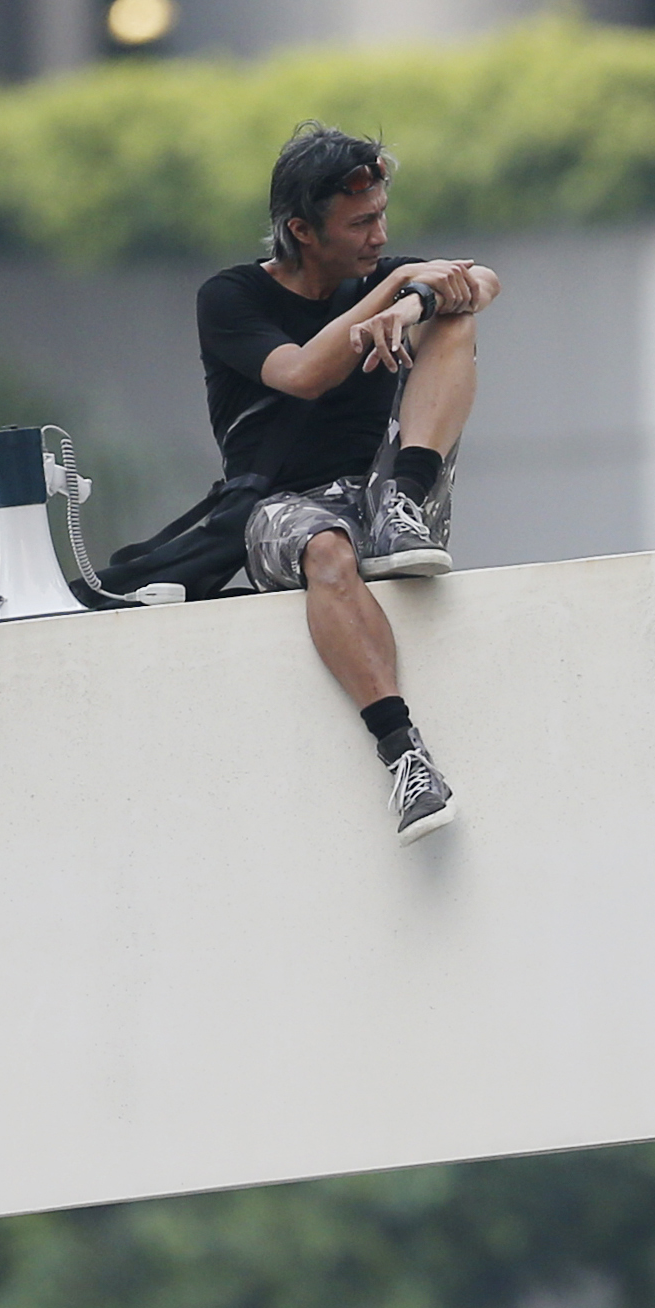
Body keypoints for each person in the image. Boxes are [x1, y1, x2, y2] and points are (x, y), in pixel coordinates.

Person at [195, 122, 500, 843]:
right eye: (360, 223)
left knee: (453, 318)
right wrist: (396, 285)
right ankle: (404, 758)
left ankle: (403, 503)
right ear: (302, 229)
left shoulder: (388, 278)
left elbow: (483, 280)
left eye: (382, 218)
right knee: (325, 548)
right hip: (281, 511)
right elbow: (300, 373)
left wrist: (417, 301)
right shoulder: (230, 296)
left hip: (385, 497)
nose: (378, 235)